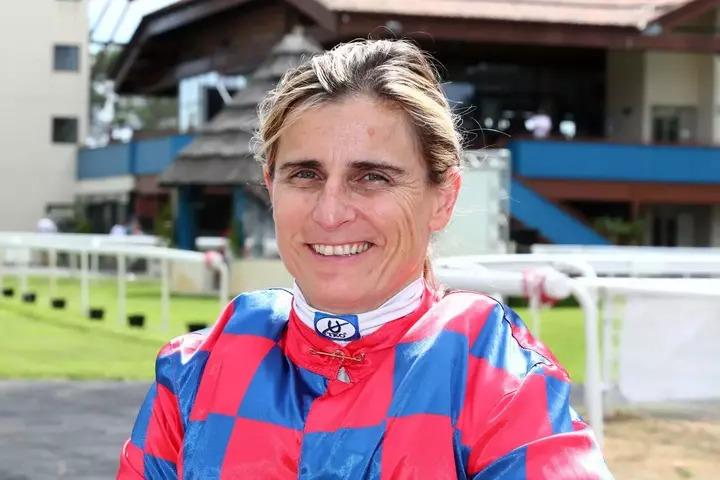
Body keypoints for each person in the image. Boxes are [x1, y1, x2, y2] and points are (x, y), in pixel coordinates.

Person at [117, 39, 612, 479]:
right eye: (305, 175)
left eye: (372, 177)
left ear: (443, 198)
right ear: (271, 187)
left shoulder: (500, 382)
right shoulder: (193, 373)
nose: (330, 213)